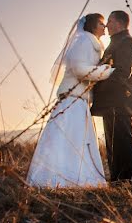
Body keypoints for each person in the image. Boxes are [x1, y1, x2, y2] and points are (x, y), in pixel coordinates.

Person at [27, 14, 114, 188]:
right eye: (102, 24)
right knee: (68, 141)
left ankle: (74, 179)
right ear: (92, 25)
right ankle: (62, 180)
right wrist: (106, 71)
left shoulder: (92, 44)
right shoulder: (83, 41)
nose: (105, 27)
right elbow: (79, 69)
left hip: (78, 100)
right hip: (72, 100)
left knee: (76, 142)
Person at [91, 10, 132, 183]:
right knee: (112, 144)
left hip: (121, 102)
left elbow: (122, 72)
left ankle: (129, 182)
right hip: (109, 102)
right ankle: (116, 180)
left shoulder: (127, 42)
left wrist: (99, 80)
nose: (107, 25)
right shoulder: (113, 44)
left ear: (119, 23)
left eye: (110, 21)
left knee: (123, 142)